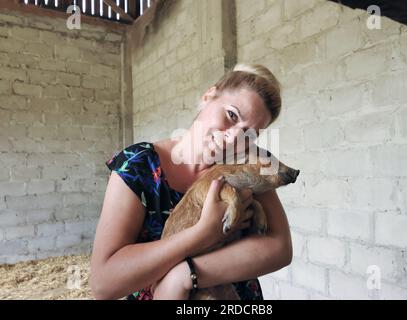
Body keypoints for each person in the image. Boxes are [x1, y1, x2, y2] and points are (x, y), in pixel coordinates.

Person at [89, 63, 293, 300]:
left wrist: (186, 275)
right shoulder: (139, 165)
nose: (234, 138)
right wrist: (203, 233)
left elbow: (280, 248)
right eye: (231, 115)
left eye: (249, 134)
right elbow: (103, 284)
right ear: (209, 95)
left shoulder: (244, 165)